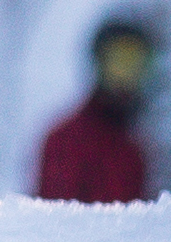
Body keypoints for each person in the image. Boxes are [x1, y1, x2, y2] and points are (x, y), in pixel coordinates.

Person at [31, 14, 160, 202]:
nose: (126, 75)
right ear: (99, 64)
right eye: (118, 62)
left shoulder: (135, 149)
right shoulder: (66, 140)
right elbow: (54, 220)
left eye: (136, 63)